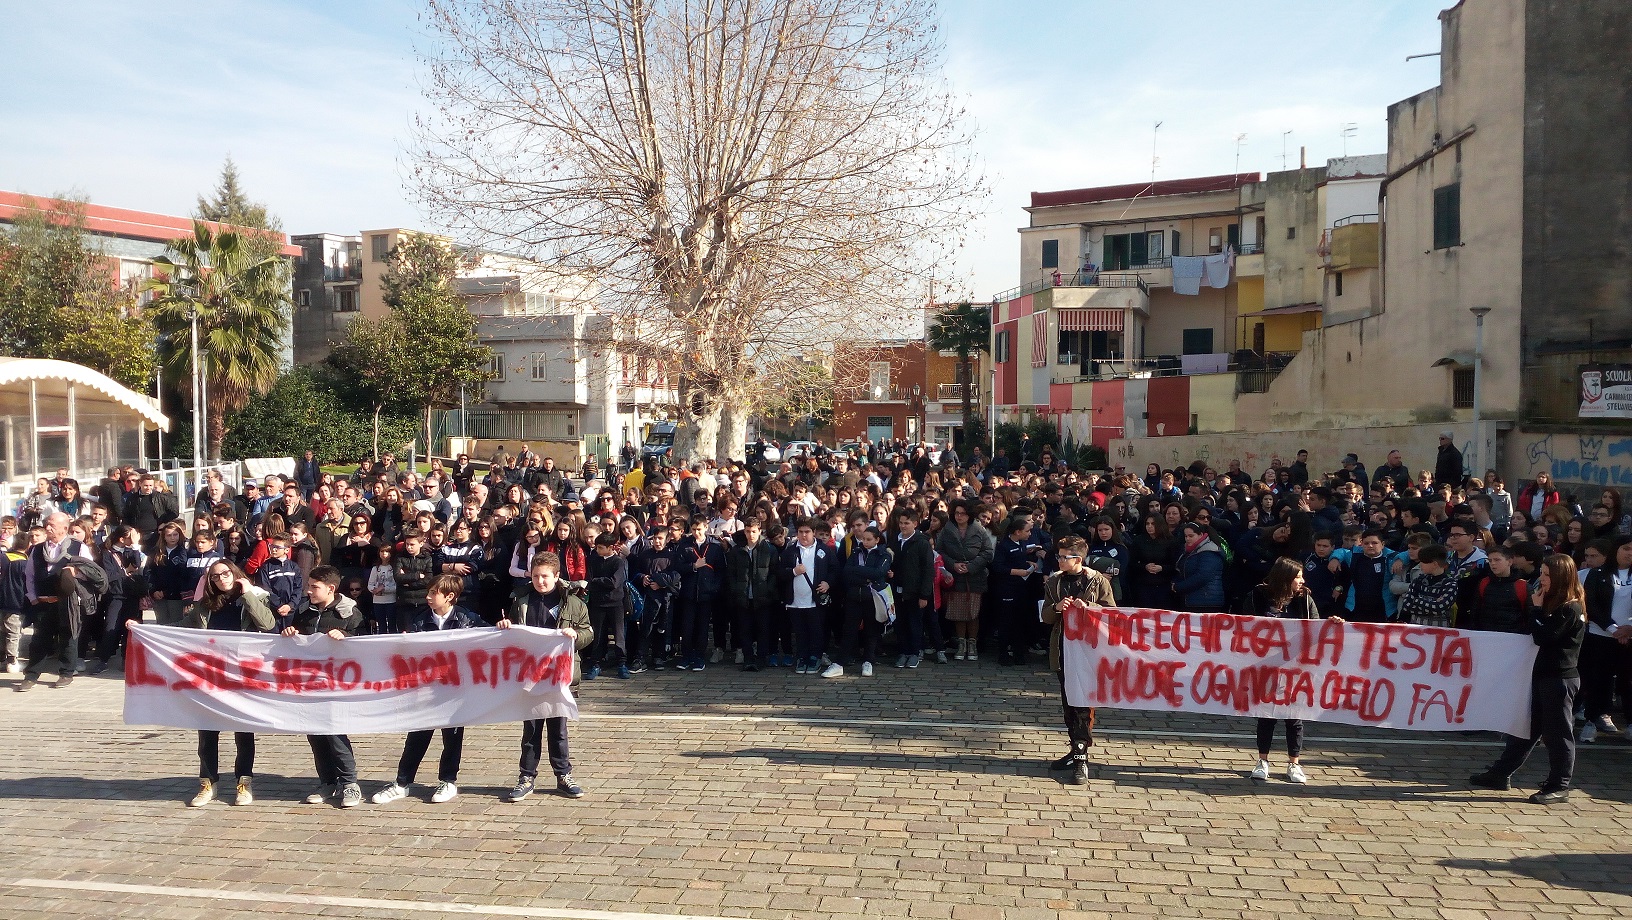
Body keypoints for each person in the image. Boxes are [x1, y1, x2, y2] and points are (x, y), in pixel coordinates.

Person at [1470, 554, 1587, 804]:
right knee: (1524, 728)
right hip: (1540, 674)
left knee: (1558, 733)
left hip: (1559, 678)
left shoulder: (1570, 607)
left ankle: (1559, 784)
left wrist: (1533, 609)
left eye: (1547, 575)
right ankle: (1501, 773)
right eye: (1542, 573)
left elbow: (1544, 636)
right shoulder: (1552, 603)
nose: (1542, 579)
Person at [371, 575, 485, 805]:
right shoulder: (419, 620)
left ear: (449, 597)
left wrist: (503, 628)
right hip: (425, 690)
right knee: (417, 736)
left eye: (434, 593)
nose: (428, 597)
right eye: (429, 592)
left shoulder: (468, 619)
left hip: (454, 690)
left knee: (452, 738)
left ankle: (448, 780)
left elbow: (490, 641)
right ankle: (402, 782)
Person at [498, 552, 592, 802]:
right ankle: (526, 776)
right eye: (536, 576)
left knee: (558, 729)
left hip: (560, 676)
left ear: (557, 576)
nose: (540, 581)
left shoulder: (573, 603)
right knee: (531, 729)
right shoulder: (522, 600)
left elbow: (588, 633)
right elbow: (514, 633)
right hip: (530, 675)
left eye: (546, 577)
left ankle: (563, 775)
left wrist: (575, 635)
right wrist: (505, 627)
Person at [1240, 558, 1342, 784]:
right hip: (1265, 665)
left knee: (1294, 717)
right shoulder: (1258, 595)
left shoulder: (1304, 598)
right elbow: (1245, 625)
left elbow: (1314, 626)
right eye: (1297, 577)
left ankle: (1294, 763)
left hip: (1297, 667)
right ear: (1285, 578)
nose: (1302, 580)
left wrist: (1331, 623)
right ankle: (1262, 761)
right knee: (1266, 715)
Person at [183, 560, 276, 807]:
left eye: (226, 573)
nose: (222, 579)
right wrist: (145, 630)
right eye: (215, 576)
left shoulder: (254, 597)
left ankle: (243, 782)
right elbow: (182, 630)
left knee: (243, 732)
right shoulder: (205, 606)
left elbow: (268, 625)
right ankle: (207, 783)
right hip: (211, 675)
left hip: (241, 674)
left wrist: (247, 595)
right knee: (207, 732)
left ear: (235, 573)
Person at [285, 566, 365, 808]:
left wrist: (347, 637)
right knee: (316, 735)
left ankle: (350, 783)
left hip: (337, 685)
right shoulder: (303, 611)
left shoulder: (349, 613)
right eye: (308, 586)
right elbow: (296, 639)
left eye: (314, 587)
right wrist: (290, 632)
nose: (308, 591)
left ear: (331, 589)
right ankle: (327, 781)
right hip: (309, 685)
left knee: (335, 733)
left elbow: (366, 644)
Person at [1040, 536, 1115, 786]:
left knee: (1084, 704)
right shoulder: (1054, 582)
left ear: (1078, 559)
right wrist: (1058, 607)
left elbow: (1111, 614)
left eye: (1064, 557)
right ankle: (1074, 748)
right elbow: (1046, 616)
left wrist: (1090, 607)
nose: (1059, 560)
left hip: (1089, 651)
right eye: (1059, 556)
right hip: (1063, 650)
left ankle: (1082, 753)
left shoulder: (1098, 581)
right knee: (1069, 702)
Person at [16, 512, 98, 692]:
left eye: (52, 525)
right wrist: (33, 597)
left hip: (67, 602)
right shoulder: (37, 549)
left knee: (68, 636)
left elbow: (91, 571)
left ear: (64, 528)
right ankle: (31, 676)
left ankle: (66, 673)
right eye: (47, 524)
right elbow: (29, 575)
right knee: (39, 640)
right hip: (43, 602)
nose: (48, 528)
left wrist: (75, 573)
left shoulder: (78, 547)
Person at [937, 500, 994, 661]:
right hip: (954, 576)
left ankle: (972, 644)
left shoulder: (979, 530)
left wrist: (973, 566)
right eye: (957, 513)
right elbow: (939, 551)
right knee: (958, 613)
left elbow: (987, 552)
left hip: (974, 577)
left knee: (973, 612)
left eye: (963, 513)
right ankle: (961, 643)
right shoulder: (947, 530)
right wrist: (953, 564)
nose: (959, 516)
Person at [778, 518, 837, 675]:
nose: (804, 535)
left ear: (814, 533)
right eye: (801, 532)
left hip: (815, 600)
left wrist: (827, 583)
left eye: (807, 532)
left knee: (816, 630)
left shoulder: (823, 550)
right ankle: (802, 657)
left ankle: (815, 657)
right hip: (795, 601)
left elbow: (834, 570)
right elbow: (779, 573)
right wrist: (793, 572)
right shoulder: (790, 552)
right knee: (800, 631)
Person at [889, 509, 938, 667]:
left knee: (914, 623)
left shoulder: (922, 543)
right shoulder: (894, 541)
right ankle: (903, 652)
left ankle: (915, 653)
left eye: (907, 523)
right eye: (901, 523)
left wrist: (924, 595)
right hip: (897, 591)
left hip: (915, 593)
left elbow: (928, 570)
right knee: (900, 623)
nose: (903, 526)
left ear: (915, 524)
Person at [1171, 522, 1226, 613]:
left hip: (1206, 602)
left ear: (1200, 535)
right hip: (1192, 600)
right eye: (1186, 536)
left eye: (1191, 536)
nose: (1187, 539)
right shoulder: (1188, 552)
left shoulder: (1209, 552)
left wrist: (1178, 587)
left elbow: (1203, 576)